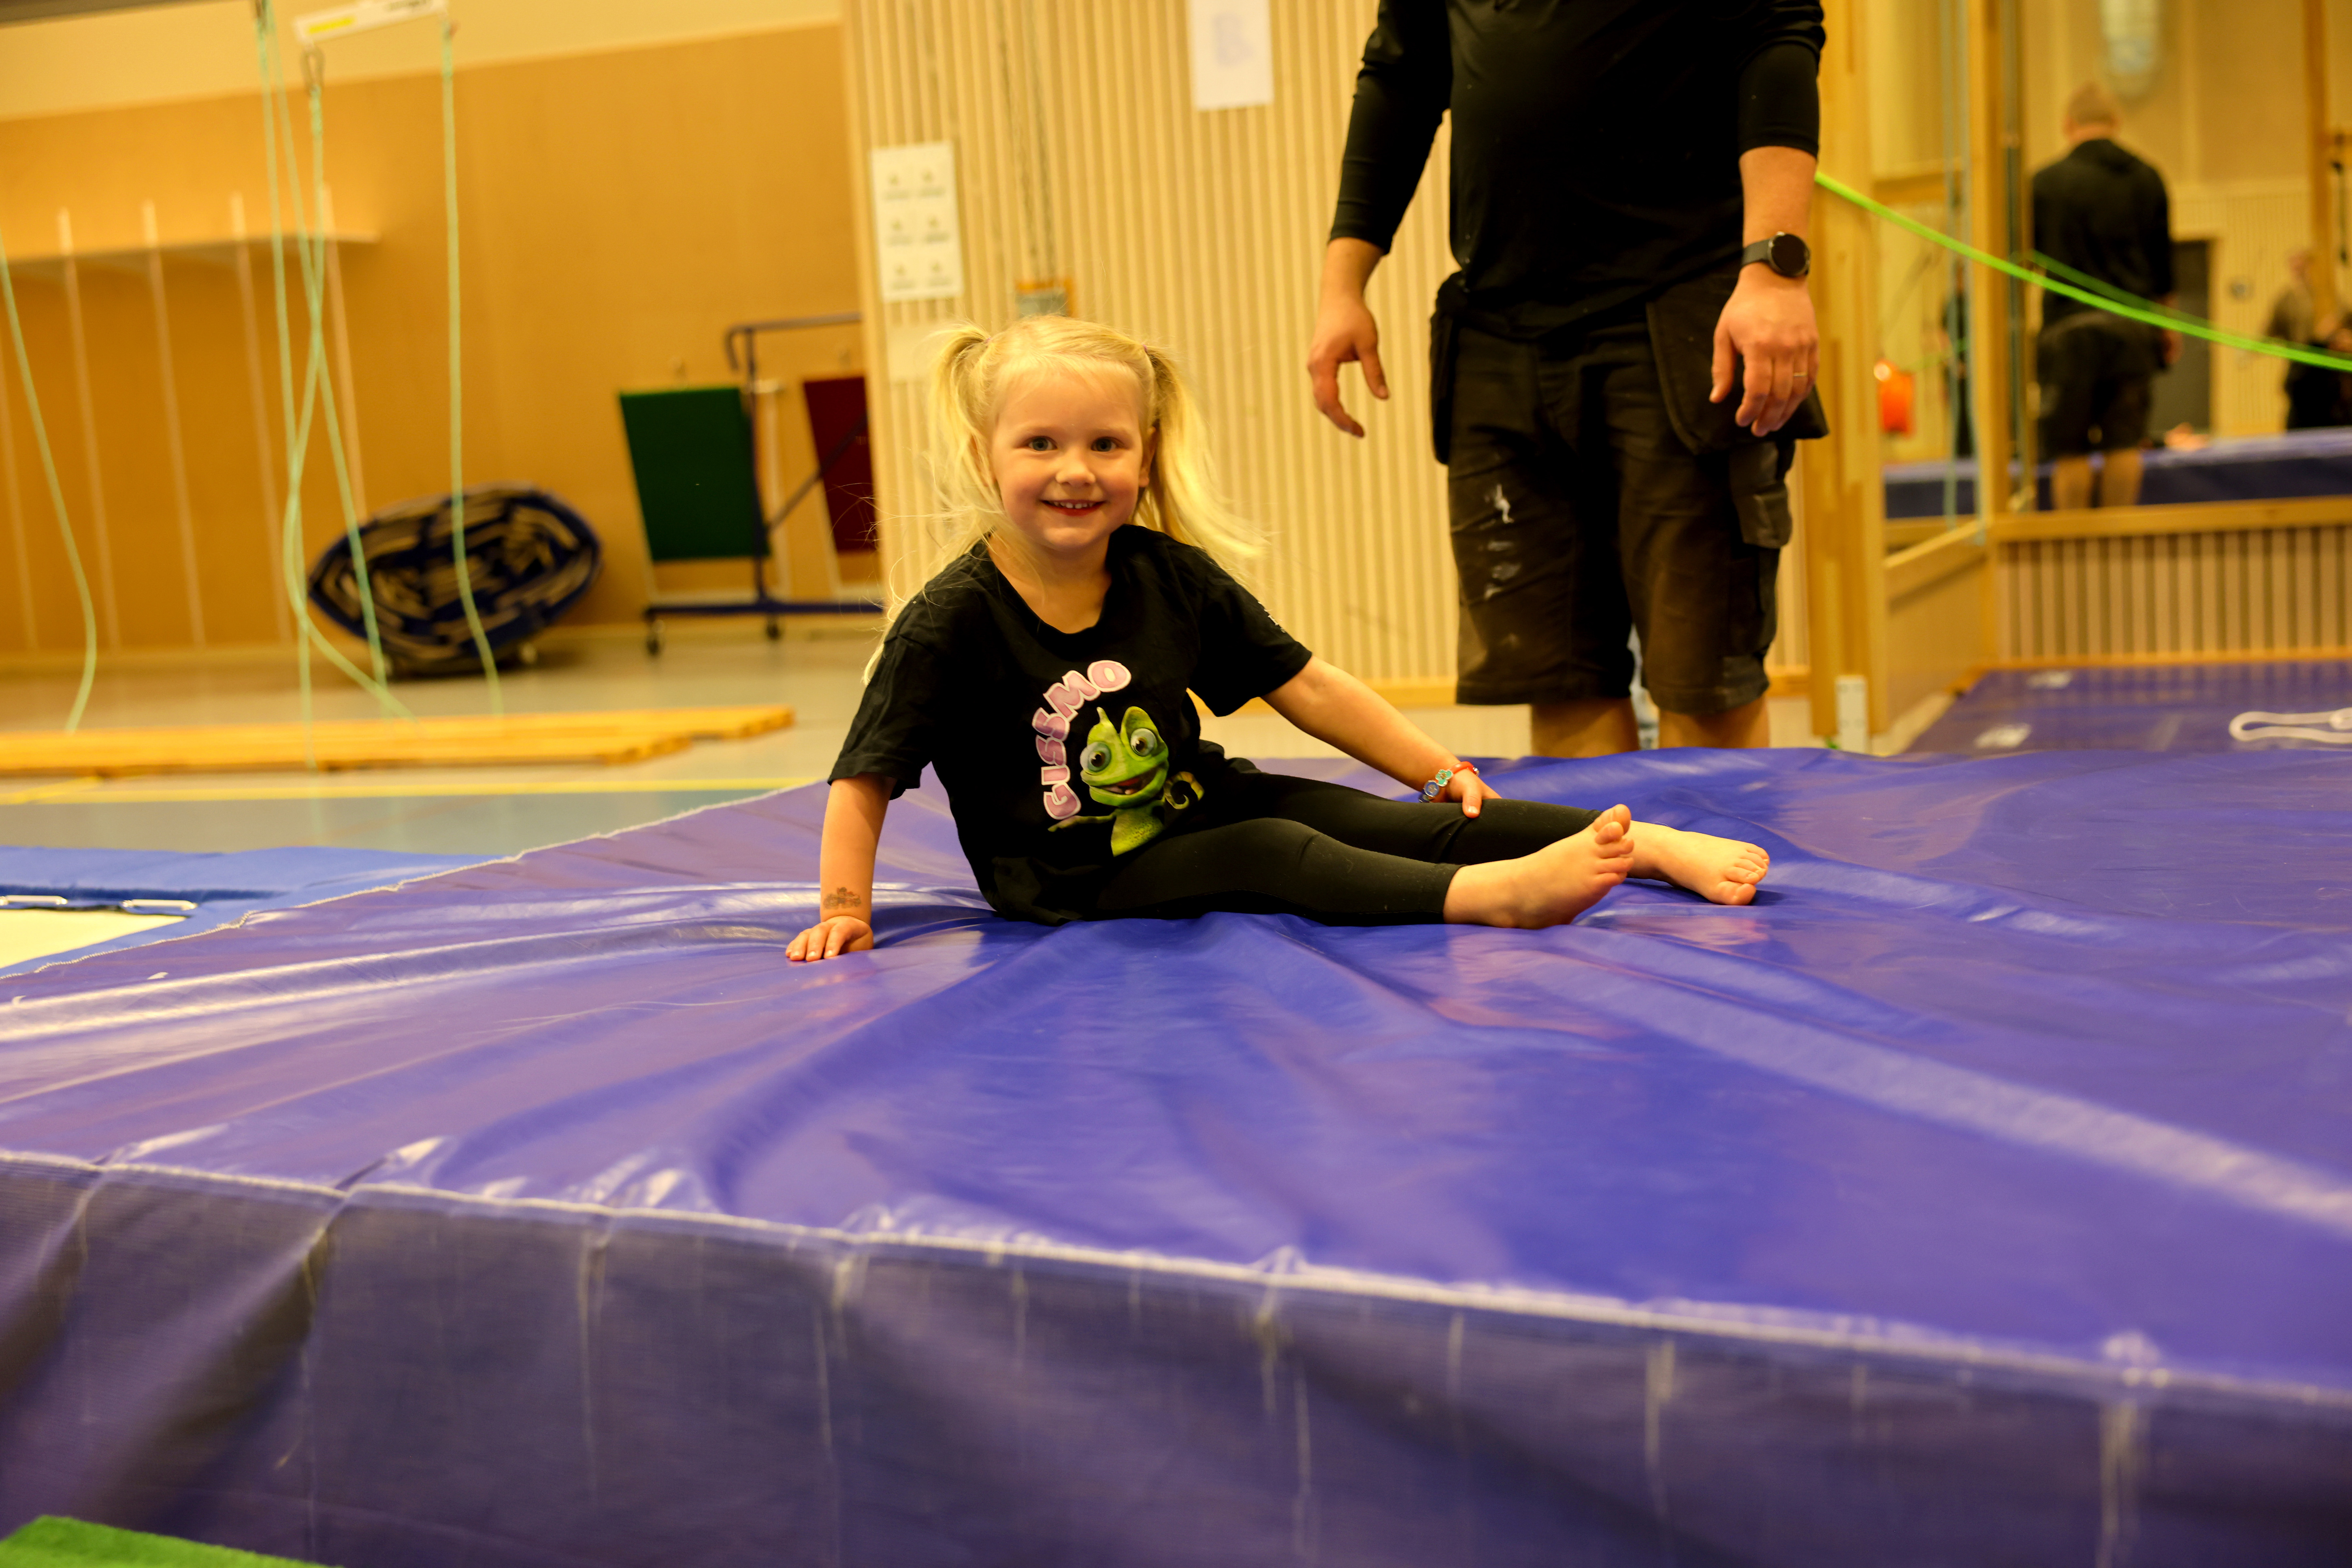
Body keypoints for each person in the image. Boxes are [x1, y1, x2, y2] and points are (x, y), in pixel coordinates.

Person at [788, 317, 1770, 961]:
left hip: (1191, 800)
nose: (1073, 471)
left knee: (1380, 819)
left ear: (1145, 453)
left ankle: (1646, 844)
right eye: (1039, 444)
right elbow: (864, 775)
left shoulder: (1162, 574)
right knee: (1271, 849)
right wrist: (844, 906)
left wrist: (1433, 770)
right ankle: (1491, 899)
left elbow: (1304, 685)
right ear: (984, 455)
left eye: (1105, 444)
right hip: (1067, 873)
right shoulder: (950, 621)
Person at [1307, 2, 1828, 759]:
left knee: (1700, 673)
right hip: (1497, 326)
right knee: (1553, 670)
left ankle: (1715, 868)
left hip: (1675, 315)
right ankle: (1603, 875)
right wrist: (1341, 284)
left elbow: (1773, 34)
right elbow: (1400, 77)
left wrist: (1774, 269)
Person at [2031, 82, 2177, 510]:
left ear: (2067, 125)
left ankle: (2074, 552)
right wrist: (2167, 327)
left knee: (2070, 451)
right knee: (2124, 443)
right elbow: (2162, 263)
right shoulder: (2147, 177)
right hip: (2131, 331)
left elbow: (2023, 261)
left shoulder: (2044, 184)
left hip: (2067, 333)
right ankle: (2118, 544)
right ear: (2116, 123)